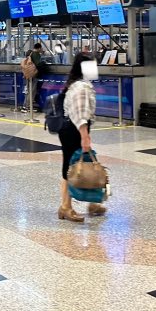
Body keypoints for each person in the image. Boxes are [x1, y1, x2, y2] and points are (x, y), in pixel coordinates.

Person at [56, 52, 105, 222]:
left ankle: (92, 202)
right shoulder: (82, 87)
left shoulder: (76, 84)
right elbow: (80, 114)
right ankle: (65, 206)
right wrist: (84, 136)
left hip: (70, 129)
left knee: (83, 164)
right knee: (72, 168)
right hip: (75, 129)